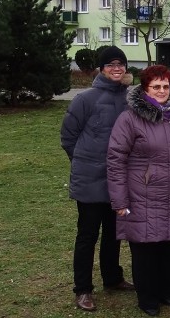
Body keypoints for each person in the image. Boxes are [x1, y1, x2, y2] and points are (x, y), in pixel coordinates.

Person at [107, 65, 170, 316]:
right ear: (145, 89)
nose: (161, 91)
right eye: (156, 86)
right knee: (145, 247)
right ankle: (147, 298)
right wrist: (119, 199)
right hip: (142, 193)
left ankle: (167, 290)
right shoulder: (130, 118)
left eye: (166, 86)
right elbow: (116, 159)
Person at [60, 46, 135, 312]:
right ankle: (82, 289)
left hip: (119, 179)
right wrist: (84, 161)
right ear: (102, 68)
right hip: (91, 178)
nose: (117, 69)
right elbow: (68, 137)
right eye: (111, 64)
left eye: (121, 64)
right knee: (88, 234)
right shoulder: (85, 99)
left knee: (114, 232)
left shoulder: (130, 99)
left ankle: (112, 278)